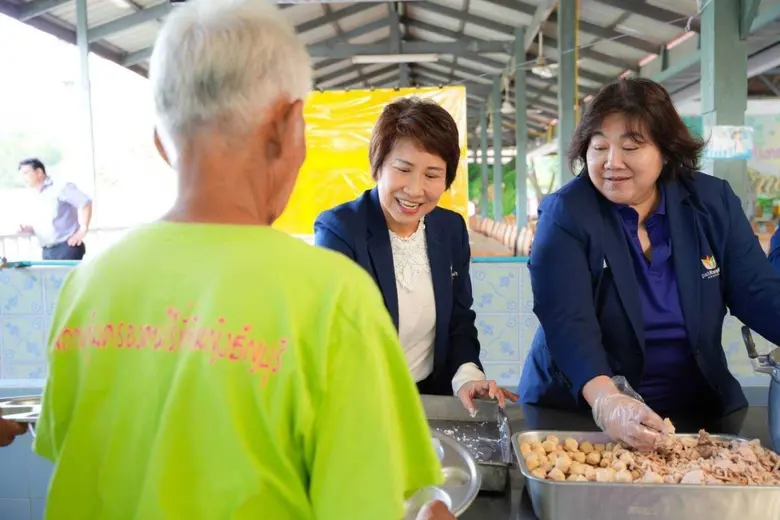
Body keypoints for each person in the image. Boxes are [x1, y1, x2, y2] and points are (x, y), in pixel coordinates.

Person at [32, 2, 454, 519]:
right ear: (289, 124)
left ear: (162, 142)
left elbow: (73, 457)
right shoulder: (333, 299)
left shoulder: (88, 284)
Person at [517, 78, 780, 450]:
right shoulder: (567, 214)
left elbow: (757, 291)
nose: (612, 162)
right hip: (582, 414)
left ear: (667, 152)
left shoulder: (710, 202)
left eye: (630, 146)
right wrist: (607, 400)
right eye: (599, 147)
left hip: (695, 412)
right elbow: (567, 321)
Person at [314, 98, 518, 414]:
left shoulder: (450, 229)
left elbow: (459, 319)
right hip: (360, 402)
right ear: (378, 165)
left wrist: (467, 375)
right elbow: (335, 337)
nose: (414, 190)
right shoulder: (340, 230)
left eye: (432, 174)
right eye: (403, 169)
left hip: (432, 398)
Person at [17, 158, 92, 260]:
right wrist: (29, 229)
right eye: (21, 174)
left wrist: (82, 230)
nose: (23, 178)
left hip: (67, 247)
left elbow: (85, 203)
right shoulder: (35, 196)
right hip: (47, 251)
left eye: (26, 173)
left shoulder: (60, 187)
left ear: (39, 172)